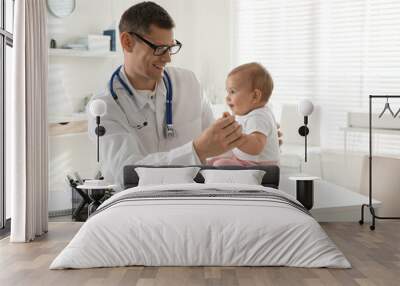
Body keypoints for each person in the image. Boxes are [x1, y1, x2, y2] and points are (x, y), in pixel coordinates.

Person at [87, 2, 245, 187]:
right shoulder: (104, 108)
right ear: (127, 42)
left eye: (170, 47)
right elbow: (128, 175)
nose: (168, 58)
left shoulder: (189, 83)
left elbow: (219, 147)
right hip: (138, 208)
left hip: (193, 200)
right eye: (159, 48)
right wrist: (195, 151)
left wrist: (254, 138)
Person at [208, 62, 280, 166]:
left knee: (220, 164)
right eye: (227, 92)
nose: (227, 97)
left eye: (232, 92)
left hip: (262, 167)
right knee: (214, 160)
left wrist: (238, 137)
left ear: (255, 96)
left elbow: (256, 147)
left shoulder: (258, 116)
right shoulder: (247, 112)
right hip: (246, 161)